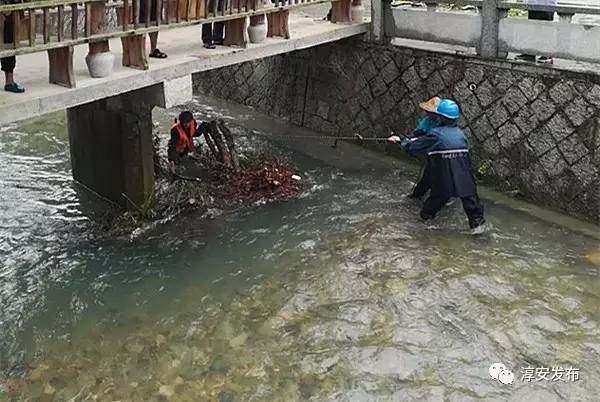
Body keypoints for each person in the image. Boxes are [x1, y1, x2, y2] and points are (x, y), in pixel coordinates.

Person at [388, 99, 486, 230]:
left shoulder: (436, 134)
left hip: (445, 181)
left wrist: (400, 141)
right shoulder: (461, 135)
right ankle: (481, 239)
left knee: (427, 214)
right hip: (466, 181)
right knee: (476, 219)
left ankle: (423, 236)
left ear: (440, 117)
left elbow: (414, 148)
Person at [408, 96, 442, 199]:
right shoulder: (427, 121)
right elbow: (418, 132)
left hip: (439, 155)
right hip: (429, 153)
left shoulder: (442, 124)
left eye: (430, 111)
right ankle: (417, 196)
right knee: (426, 179)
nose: (427, 113)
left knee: (435, 180)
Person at [1, 9, 25, 93]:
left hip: (8, 16)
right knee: (8, 46)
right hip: (6, 15)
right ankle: (9, 82)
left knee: (8, 48)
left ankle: (9, 82)